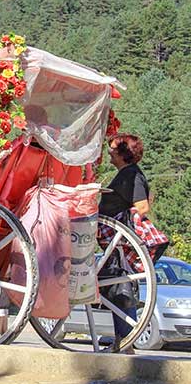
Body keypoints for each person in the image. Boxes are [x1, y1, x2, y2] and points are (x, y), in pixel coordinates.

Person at [99, 133, 150, 354]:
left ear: (123, 153)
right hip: (114, 241)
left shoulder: (132, 175)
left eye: (112, 149)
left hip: (118, 242)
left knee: (121, 288)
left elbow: (142, 207)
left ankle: (127, 341)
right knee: (116, 287)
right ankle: (123, 341)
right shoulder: (127, 174)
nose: (109, 151)